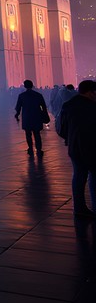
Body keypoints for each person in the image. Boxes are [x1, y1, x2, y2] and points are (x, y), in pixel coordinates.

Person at [56, 80, 96, 217]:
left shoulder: (68, 105)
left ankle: (79, 208)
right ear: (90, 92)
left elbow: (61, 129)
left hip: (75, 148)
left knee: (79, 177)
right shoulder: (93, 106)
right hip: (92, 147)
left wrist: (70, 138)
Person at [14, 80, 50, 157]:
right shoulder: (38, 95)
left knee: (28, 134)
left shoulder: (22, 96)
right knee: (37, 134)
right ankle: (39, 149)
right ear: (32, 85)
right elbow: (43, 107)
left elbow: (18, 107)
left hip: (27, 117)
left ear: (24, 86)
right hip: (37, 116)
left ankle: (30, 148)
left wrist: (17, 115)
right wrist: (45, 116)